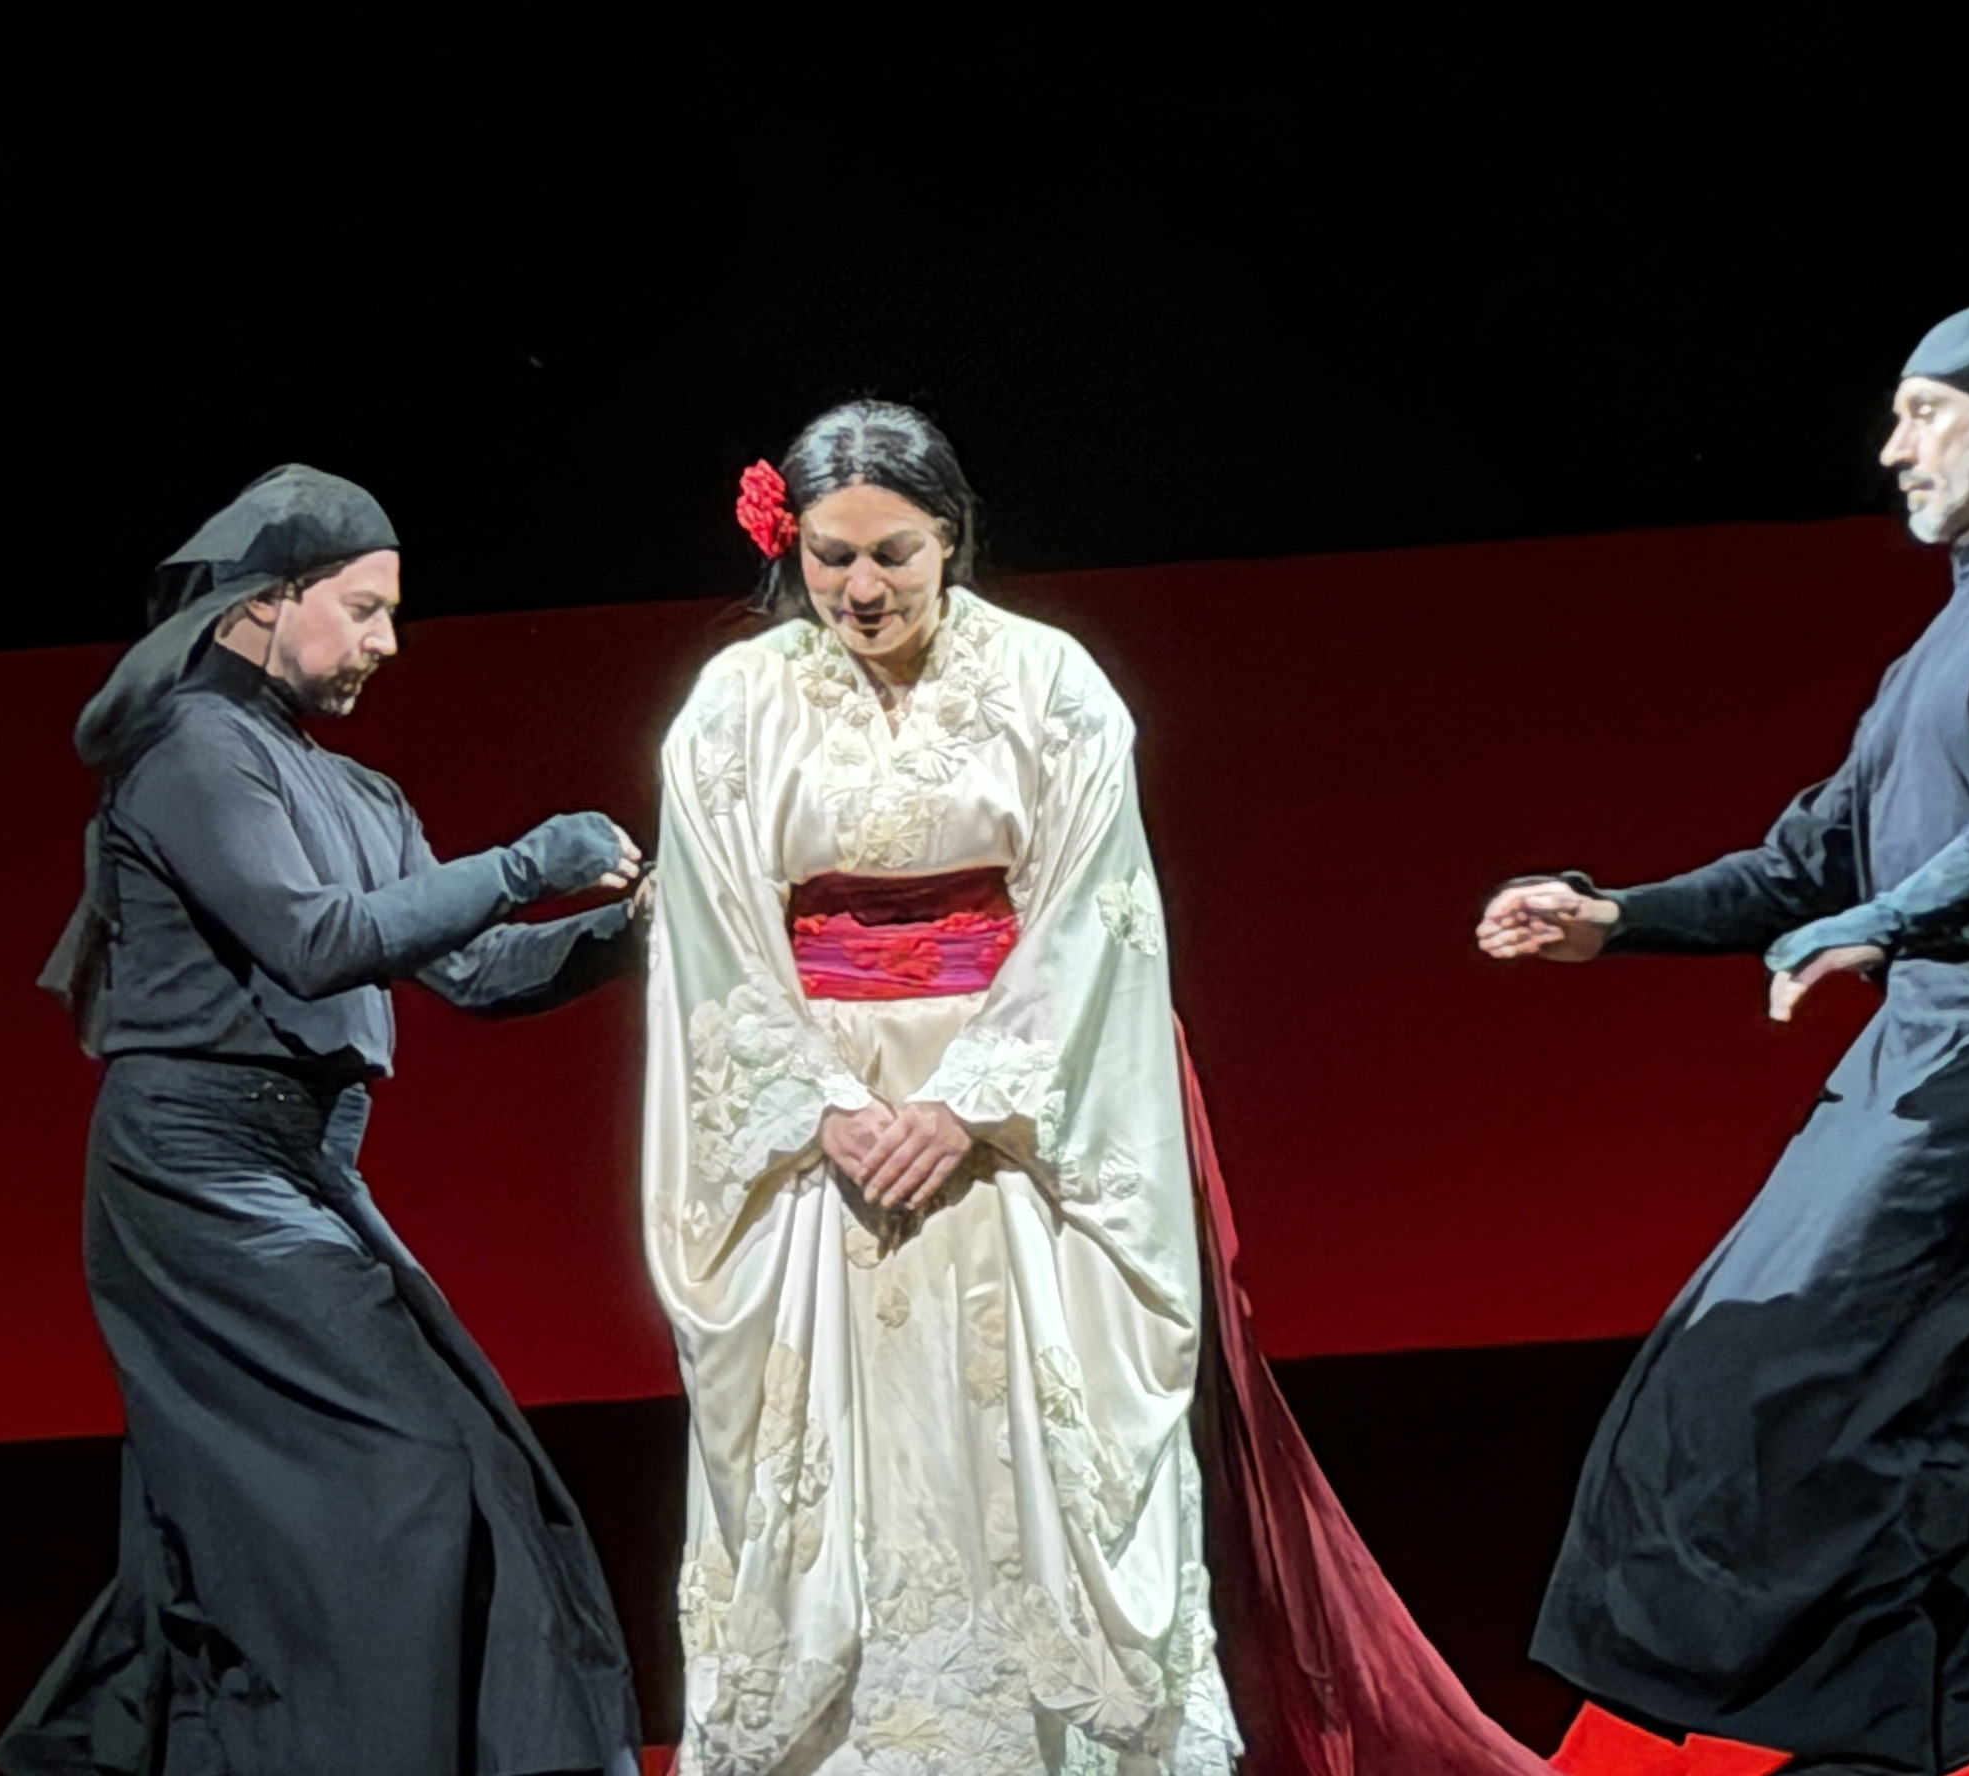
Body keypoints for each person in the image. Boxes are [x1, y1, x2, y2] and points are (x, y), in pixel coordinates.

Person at [643, 402, 1554, 1776]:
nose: (862, 589)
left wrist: (967, 1100)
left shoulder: (1049, 683)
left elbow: (1097, 918)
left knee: (1029, 1434)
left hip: (1004, 1127)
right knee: (838, 1450)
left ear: (952, 539)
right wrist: (822, 1103)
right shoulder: (737, 701)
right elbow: (709, 933)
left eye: (893, 553)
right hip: (824, 1122)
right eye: (831, 558)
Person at [1477, 301, 1969, 1773]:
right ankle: (1946, 1690)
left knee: (1840, 1393)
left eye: (1924, 413)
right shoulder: (1941, 643)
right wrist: (1617, 916)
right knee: (1730, 1378)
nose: (1893, 448)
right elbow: (1807, 860)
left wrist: (1890, 920)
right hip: (1920, 1051)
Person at [0, 464, 652, 1776]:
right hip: (196, 1180)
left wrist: (636, 934)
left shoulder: (360, 796)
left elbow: (477, 973)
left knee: (447, 1469)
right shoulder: (191, 750)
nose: (387, 643)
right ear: (265, 602)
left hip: (303, 1171)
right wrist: (524, 862)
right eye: (363, 610)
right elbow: (315, 943)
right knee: (401, 1472)